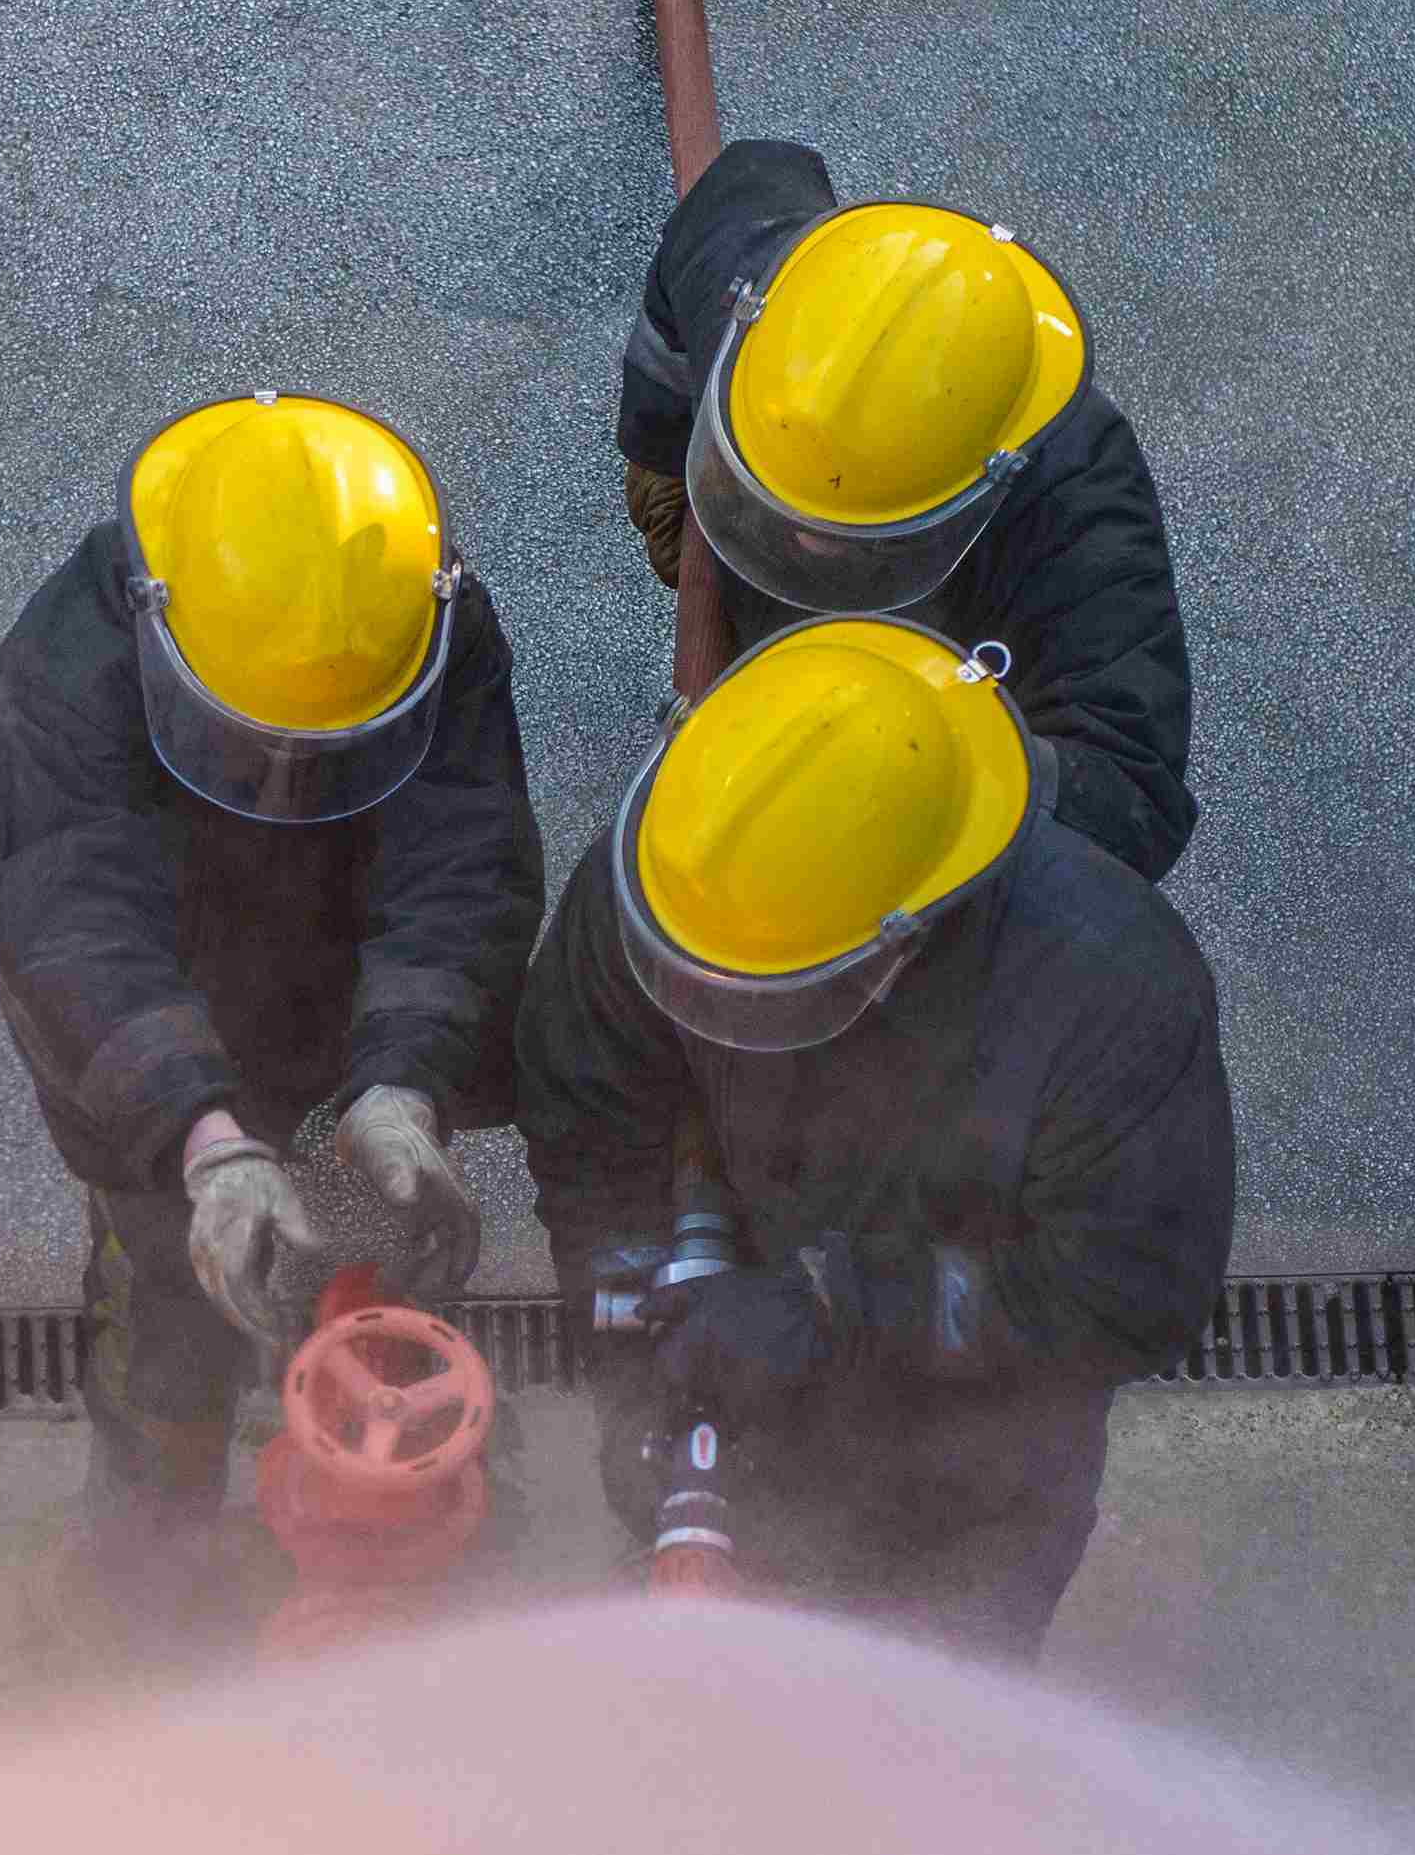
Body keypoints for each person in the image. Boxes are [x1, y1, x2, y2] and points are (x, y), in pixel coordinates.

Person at [513, 611, 1233, 1662]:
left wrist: (838, 1307)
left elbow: (1127, 1292)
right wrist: (636, 1369)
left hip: (973, 1477)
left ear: (905, 937)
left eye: (774, 993)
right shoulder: (673, 889)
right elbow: (590, 1145)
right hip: (736, 1404)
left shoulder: (1115, 992)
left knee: (922, 1763)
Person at [0, 391, 547, 1645]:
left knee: (383, 1312)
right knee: (168, 1321)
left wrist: (409, 1084)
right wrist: (201, 1138)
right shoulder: (73, 662)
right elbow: (70, 924)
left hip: (359, 1027)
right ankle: (144, 1590)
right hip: (163, 1045)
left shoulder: (424, 621)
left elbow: (464, 865)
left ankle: (427, 1580)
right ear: (160, 638)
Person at [616, 144, 1199, 885]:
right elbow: (742, 179)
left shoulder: (1076, 491)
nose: (793, 543)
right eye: (780, 502)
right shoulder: (747, 270)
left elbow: (1129, 796)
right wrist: (663, 454)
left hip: (931, 725)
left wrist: (918, 773)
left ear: (970, 492)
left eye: (843, 534)